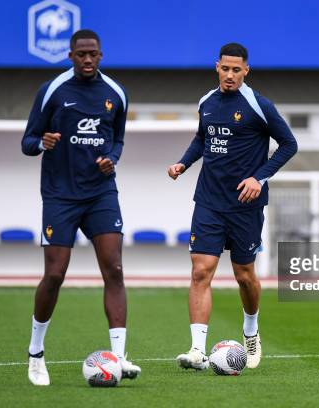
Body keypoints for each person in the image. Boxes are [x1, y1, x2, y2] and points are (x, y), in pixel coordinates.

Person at [168, 43, 298, 370]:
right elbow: (203, 138)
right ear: (217, 67)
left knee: (244, 275)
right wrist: (183, 164)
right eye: (225, 69)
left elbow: (289, 144)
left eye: (236, 70)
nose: (229, 75)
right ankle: (197, 350)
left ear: (246, 70)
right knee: (200, 271)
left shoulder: (258, 105)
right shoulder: (207, 103)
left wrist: (260, 178)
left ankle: (251, 332)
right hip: (209, 201)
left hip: (245, 206)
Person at [21, 29, 140, 386]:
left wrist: (112, 159)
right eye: (81, 54)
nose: (87, 59)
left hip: (101, 193)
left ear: (101, 55)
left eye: (93, 54)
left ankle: (118, 357)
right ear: (71, 55)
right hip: (60, 195)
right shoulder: (53, 91)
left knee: (114, 268)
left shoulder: (116, 94)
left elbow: (117, 138)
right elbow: (26, 142)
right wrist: (42, 142)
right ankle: (36, 353)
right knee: (56, 273)